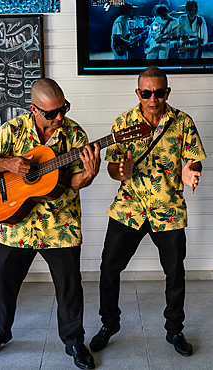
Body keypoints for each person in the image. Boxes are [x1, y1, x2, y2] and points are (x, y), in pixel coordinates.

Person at [0, 78, 101, 370]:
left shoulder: (74, 134)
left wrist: (90, 174)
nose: (60, 118)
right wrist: (9, 164)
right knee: (3, 281)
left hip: (60, 224)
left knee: (69, 286)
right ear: (34, 109)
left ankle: (73, 342)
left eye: (63, 109)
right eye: (51, 113)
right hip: (17, 224)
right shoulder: (13, 130)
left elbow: (76, 182)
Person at [90, 66, 206, 357]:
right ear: (138, 93)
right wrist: (121, 171)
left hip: (168, 209)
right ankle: (109, 324)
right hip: (130, 207)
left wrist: (191, 171)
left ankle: (174, 330)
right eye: (146, 93)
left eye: (158, 93)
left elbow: (194, 160)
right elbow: (112, 167)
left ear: (167, 92)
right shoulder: (123, 122)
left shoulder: (183, 122)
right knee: (109, 267)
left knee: (175, 273)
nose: (152, 99)